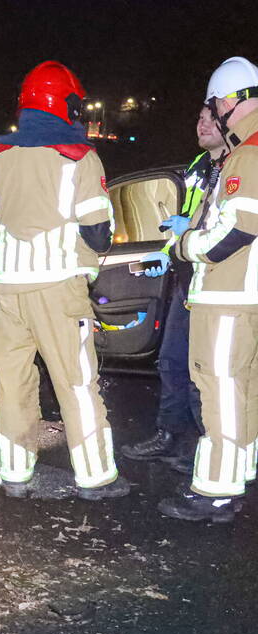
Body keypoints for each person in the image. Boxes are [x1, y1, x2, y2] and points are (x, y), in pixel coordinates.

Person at [0, 60, 129, 500]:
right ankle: (95, 477)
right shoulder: (79, 159)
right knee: (76, 384)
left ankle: (14, 474)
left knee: (12, 383)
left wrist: (3, 248)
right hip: (59, 291)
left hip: (6, 294)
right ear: (67, 105)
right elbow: (97, 230)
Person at [159, 56, 258, 523]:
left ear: (230, 101)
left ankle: (216, 491)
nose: (212, 111)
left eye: (215, 102)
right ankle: (239, 472)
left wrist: (184, 244)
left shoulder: (249, 153)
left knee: (219, 389)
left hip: (229, 297)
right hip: (244, 296)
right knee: (243, 391)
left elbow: (235, 232)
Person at [121, 108, 227, 472]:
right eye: (198, 116)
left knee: (205, 374)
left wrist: (188, 235)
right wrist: (166, 254)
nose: (201, 123)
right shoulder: (201, 164)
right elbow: (187, 219)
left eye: (211, 118)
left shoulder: (239, 164)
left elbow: (225, 229)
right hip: (188, 280)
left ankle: (201, 445)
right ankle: (169, 435)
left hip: (219, 285)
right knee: (171, 362)